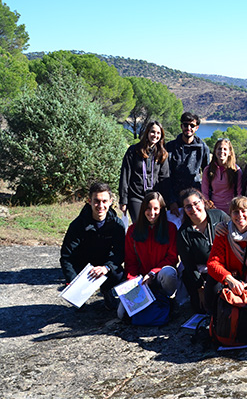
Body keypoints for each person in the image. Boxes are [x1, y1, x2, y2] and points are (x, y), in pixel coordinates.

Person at [60, 182, 126, 310]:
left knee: (118, 273)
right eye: (96, 201)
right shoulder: (77, 225)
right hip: (83, 267)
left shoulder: (117, 225)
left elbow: (120, 252)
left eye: (104, 201)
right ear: (89, 201)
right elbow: (66, 256)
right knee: (80, 307)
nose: (100, 206)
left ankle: (107, 291)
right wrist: (71, 280)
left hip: (104, 265)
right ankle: (79, 295)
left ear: (111, 202)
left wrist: (107, 267)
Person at [205, 196, 247, 315]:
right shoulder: (223, 233)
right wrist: (229, 279)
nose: (240, 215)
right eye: (236, 212)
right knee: (212, 279)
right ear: (230, 214)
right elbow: (213, 263)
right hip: (229, 282)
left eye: (243, 211)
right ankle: (214, 317)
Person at [120, 192, 179, 318]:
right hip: (140, 280)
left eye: (156, 209)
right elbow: (130, 261)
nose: (152, 213)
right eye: (148, 208)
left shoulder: (171, 229)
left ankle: (168, 298)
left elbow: (172, 258)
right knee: (121, 314)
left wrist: (153, 273)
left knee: (169, 273)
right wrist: (133, 281)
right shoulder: (132, 230)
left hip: (159, 276)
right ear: (143, 209)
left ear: (162, 210)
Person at [176, 188, 230, 313]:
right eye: (188, 207)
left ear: (203, 202)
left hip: (224, 268)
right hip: (200, 273)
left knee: (221, 304)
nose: (194, 209)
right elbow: (189, 265)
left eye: (196, 204)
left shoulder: (219, 217)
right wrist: (200, 289)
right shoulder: (184, 233)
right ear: (184, 210)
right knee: (201, 308)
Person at [119, 121, 170, 222]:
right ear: (147, 132)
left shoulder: (162, 154)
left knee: (153, 229)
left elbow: (164, 179)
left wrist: (167, 202)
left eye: (158, 133)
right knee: (139, 227)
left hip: (154, 198)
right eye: (152, 132)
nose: (155, 135)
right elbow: (125, 175)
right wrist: (123, 200)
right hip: (136, 196)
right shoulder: (133, 151)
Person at [166, 112, 210, 216]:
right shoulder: (170, 147)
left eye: (192, 125)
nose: (188, 128)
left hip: (194, 198)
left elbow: (207, 174)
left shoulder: (202, 148)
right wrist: (171, 201)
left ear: (197, 128)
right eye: (186, 125)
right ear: (181, 126)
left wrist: (206, 198)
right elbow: (165, 175)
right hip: (175, 197)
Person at [201, 138, 242, 214]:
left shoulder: (236, 171)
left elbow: (239, 192)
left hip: (231, 210)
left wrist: (236, 208)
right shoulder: (208, 170)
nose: (222, 151)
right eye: (219, 149)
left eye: (225, 149)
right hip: (213, 210)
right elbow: (204, 192)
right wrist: (209, 206)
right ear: (215, 151)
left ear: (230, 152)